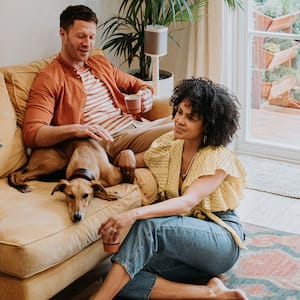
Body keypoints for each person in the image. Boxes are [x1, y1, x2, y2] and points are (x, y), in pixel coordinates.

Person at [93, 77, 248, 300]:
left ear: (208, 124)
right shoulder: (170, 146)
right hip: (184, 245)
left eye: (190, 117)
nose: (179, 120)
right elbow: (133, 160)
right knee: (115, 276)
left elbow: (186, 202)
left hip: (219, 239)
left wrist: (132, 214)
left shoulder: (217, 156)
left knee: (148, 227)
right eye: (179, 112)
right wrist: (125, 155)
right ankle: (209, 292)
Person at [23, 5, 173, 181]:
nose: (87, 44)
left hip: (136, 125)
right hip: (109, 139)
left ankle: (135, 159)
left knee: (190, 119)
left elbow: (136, 84)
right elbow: (32, 134)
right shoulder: (49, 78)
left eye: (91, 37)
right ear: (63, 34)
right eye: (81, 36)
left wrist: (145, 93)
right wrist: (76, 129)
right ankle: (123, 160)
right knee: (184, 129)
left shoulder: (99, 63)